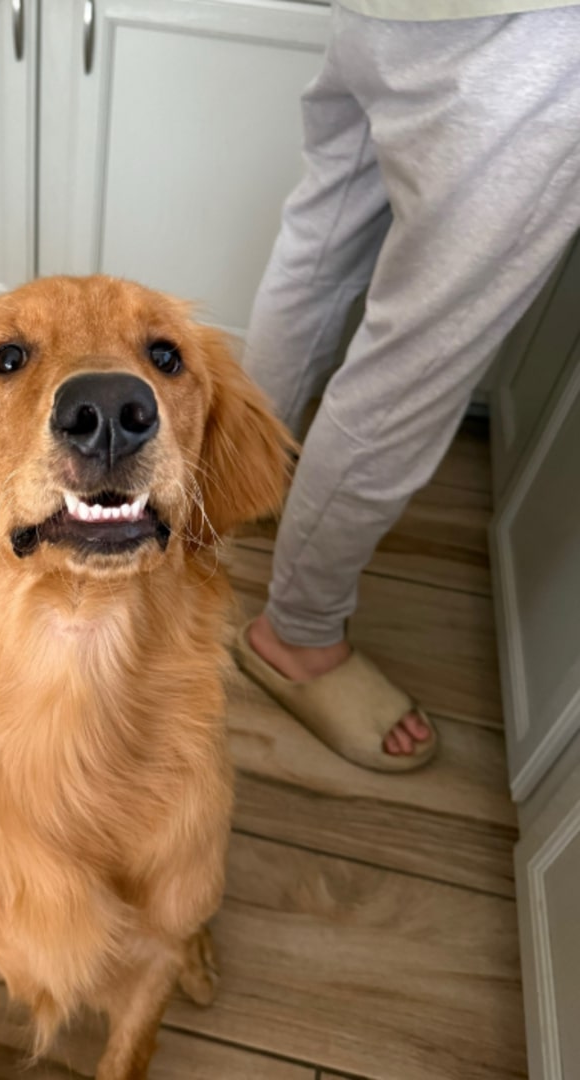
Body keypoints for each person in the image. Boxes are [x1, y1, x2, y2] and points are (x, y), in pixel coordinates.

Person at [234, 0, 580, 771]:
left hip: (384, 15)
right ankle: (296, 634)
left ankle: (237, 475)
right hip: (528, 32)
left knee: (321, 240)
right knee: (415, 359)